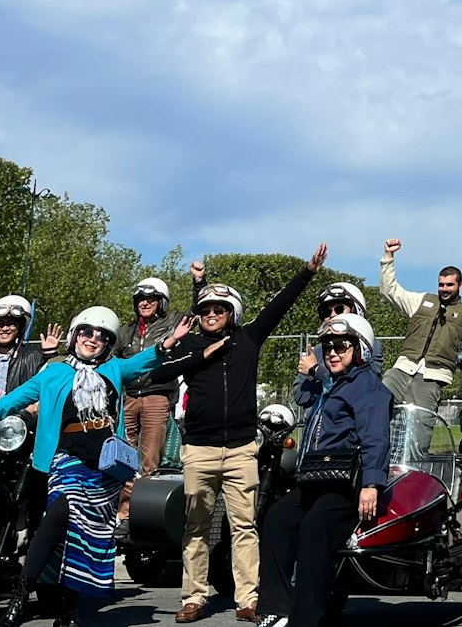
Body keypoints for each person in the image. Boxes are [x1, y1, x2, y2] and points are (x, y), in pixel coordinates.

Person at [0, 305, 195, 627]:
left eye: (101, 336)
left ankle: (68, 609)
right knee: (62, 511)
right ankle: (20, 596)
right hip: (65, 458)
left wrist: (169, 341)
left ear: (108, 342)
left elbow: (140, 362)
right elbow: (13, 400)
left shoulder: (115, 369)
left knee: (82, 536)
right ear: (75, 336)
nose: (93, 339)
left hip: (106, 465)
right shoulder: (53, 372)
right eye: (87, 332)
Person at [172, 245, 329, 625]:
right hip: (199, 448)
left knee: (244, 526)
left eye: (219, 310)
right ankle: (194, 597)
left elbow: (280, 306)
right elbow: (162, 370)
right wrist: (201, 288)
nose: (211, 315)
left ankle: (248, 597)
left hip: (242, 448)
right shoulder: (191, 345)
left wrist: (307, 272)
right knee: (196, 527)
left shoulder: (249, 339)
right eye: (206, 310)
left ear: (232, 315)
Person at [257, 313, 391, 627]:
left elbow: (376, 439)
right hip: (318, 479)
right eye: (327, 346)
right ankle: (277, 608)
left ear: (361, 349)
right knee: (277, 517)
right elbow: (302, 396)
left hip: (347, 485)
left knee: (315, 528)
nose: (331, 352)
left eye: (340, 346)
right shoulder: (330, 385)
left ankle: (306, 619)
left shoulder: (368, 388)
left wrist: (371, 484)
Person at [379, 238, 462, 418]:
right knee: (375, 409)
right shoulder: (421, 301)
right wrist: (389, 256)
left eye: (450, 285)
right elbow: (389, 291)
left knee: (418, 436)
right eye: (441, 284)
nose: (444, 289)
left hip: (432, 378)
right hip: (401, 370)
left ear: (460, 286)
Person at [114, 277, 182, 529]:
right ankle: (122, 511)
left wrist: (199, 282)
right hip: (129, 395)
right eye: (141, 299)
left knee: (150, 455)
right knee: (123, 454)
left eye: (151, 299)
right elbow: (111, 359)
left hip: (157, 393)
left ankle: (141, 509)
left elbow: (197, 311)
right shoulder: (126, 330)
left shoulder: (171, 322)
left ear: (161, 302)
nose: (145, 303)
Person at [293, 281, 382, 414]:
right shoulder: (317, 350)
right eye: (327, 312)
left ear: (356, 310)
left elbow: (363, 386)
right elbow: (300, 395)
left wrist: (316, 372)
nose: (333, 315)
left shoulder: (370, 344)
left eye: (339, 309)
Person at [0, 294, 61, 406]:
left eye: (11, 324)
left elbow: (51, 384)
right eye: (0, 324)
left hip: (18, 420)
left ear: (20, 328)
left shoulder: (34, 358)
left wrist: (50, 355)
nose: (5, 328)